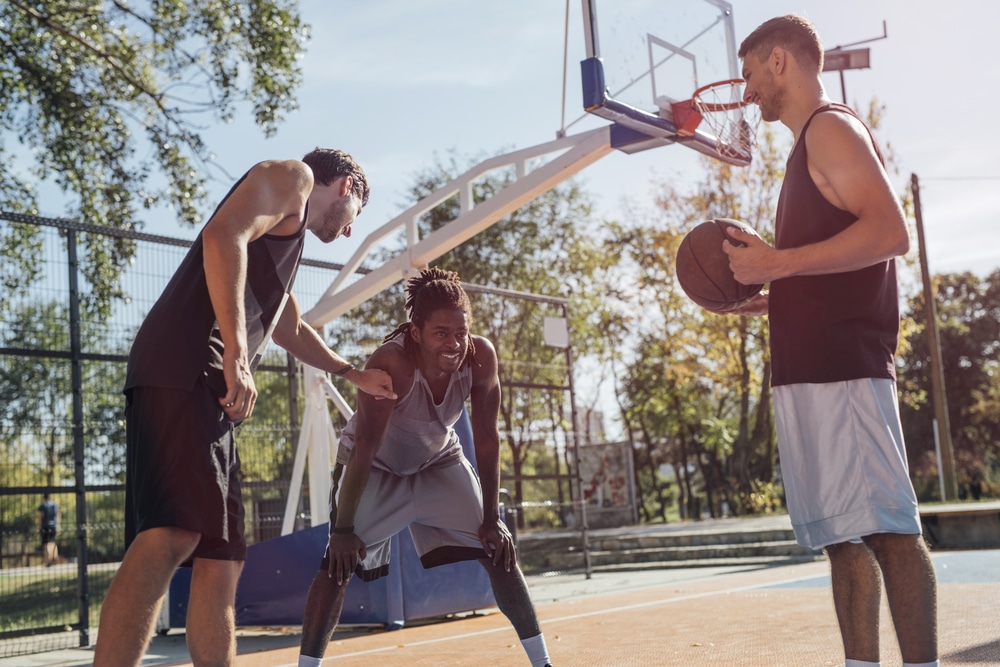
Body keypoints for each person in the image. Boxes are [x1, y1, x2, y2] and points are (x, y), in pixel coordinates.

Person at [94, 148, 396, 667]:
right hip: (186, 362)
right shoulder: (292, 177)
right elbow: (222, 235)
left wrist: (351, 372)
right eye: (356, 219)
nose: (349, 233)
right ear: (346, 187)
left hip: (212, 383)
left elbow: (289, 328)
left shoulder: (285, 239)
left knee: (222, 559)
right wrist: (236, 350)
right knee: (172, 533)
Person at [721, 15, 939, 667]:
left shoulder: (831, 129)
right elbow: (833, 261)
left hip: (844, 369)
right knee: (841, 540)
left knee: (888, 531)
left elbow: (889, 234)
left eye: (751, 70)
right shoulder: (803, 150)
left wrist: (778, 265)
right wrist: (772, 292)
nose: (746, 87)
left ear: (780, 61)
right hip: (807, 373)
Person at [297, 267, 553, 667]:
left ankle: (543, 662)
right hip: (376, 465)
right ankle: (306, 665)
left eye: (460, 332)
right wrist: (343, 531)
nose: (453, 343)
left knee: (498, 549)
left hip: (436, 460)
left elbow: (487, 438)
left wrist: (490, 518)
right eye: (441, 333)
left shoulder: (480, 357)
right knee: (337, 563)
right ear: (416, 332)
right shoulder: (392, 362)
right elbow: (365, 446)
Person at [37, 493, 60, 566]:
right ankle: (55, 556)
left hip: (45, 527)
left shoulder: (43, 506)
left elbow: (40, 517)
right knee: (52, 542)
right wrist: (58, 525)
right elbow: (58, 515)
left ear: (43, 498)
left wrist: (37, 528)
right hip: (53, 526)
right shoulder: (54, 505)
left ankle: (48, 561)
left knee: (46, 544)